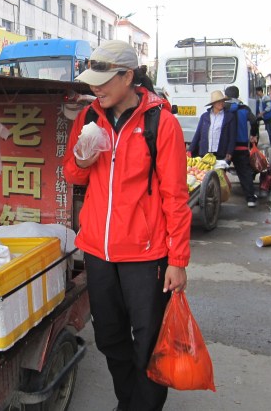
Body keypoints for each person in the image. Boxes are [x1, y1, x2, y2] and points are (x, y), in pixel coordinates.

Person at [63, 41, 191, 410]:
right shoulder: (89, 118)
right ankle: (128, 401)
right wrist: (83, 159)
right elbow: (74, 175)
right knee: (109, 336)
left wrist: (178, 260)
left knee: (149, 341)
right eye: (92, 82)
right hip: (99, 251)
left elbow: (175, 196)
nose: (96, 89)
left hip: (146, 254)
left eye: (103, 81)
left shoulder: (159, 122)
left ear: (128, 77)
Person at [225, 85, 260, 207]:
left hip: (225, 148)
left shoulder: (223, 108)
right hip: (241, 147)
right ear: (237, 95)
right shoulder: (244, 108)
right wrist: (253, 134)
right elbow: (254, 121)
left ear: (226, 96)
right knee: (244, 173)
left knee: (219, 171)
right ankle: (250, 198)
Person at [189, 90, 235, 161]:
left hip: (221, 153)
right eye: (218, 101)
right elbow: (198, 134)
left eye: (222, 101)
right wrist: (190, 150)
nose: (221, 103)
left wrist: (229, 151)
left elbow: (232, 137)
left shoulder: (229, 117)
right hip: (205, 153)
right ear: (213, 104)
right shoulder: (204, 116)